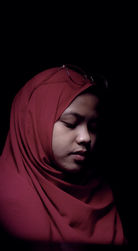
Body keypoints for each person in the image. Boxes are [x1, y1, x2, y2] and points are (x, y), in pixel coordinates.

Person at [0, 64, 126, 247]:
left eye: (93, 127)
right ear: (33, 123)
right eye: (70, 123)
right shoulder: (6, 200)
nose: (86, 138)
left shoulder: (99, 192)